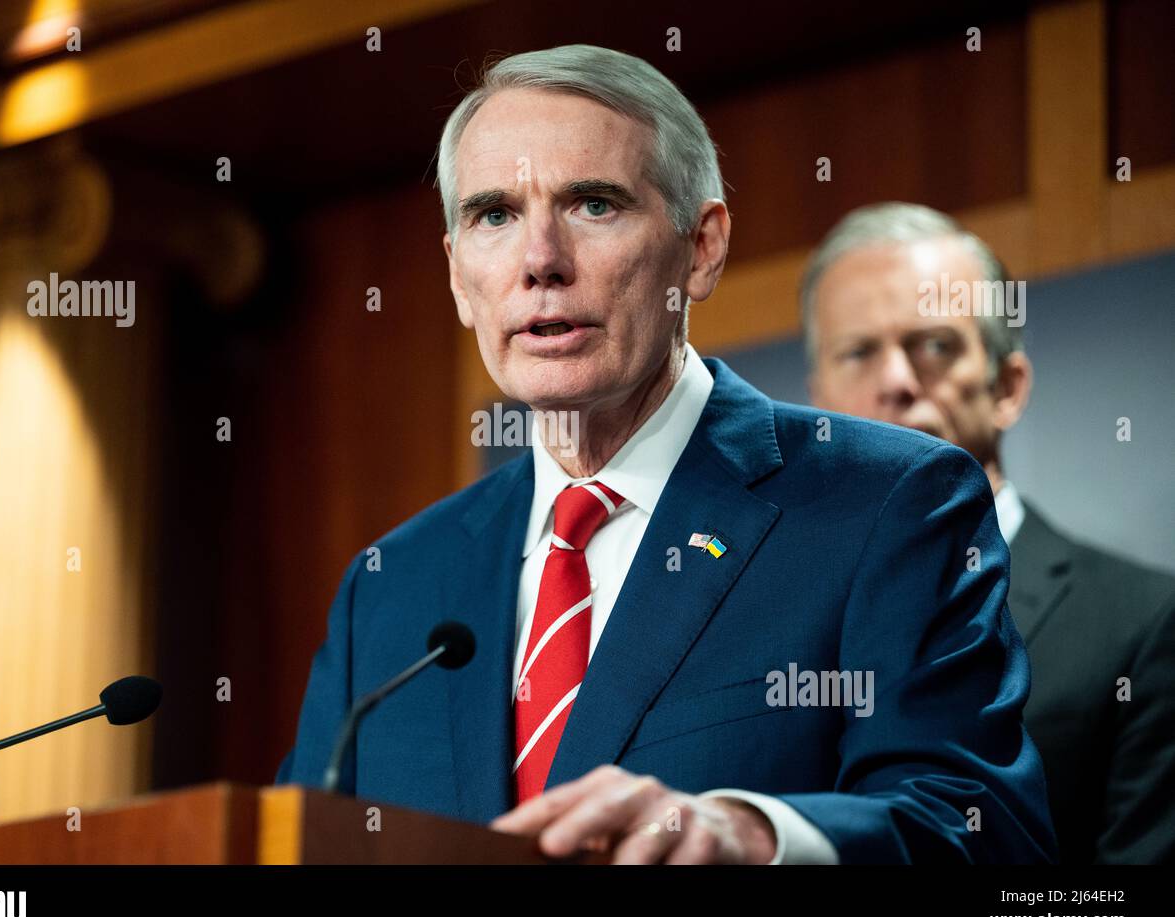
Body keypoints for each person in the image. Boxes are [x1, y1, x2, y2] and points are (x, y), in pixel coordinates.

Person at [276, 47, 1055, 864]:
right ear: (460, 278)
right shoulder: (391, 588)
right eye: (495, 215)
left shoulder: (891, 506)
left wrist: (757, 838)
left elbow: (990, 838)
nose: (540, 260)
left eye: (594, 204)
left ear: (702, 248)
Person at [801, 201, 1175, 863]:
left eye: (935, 345)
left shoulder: (1144, 624)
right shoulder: (775, 625)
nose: (896, 382)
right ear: (818, 406)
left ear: (1007, 386)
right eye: (859, 352)